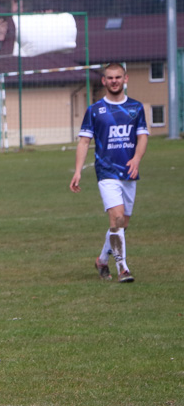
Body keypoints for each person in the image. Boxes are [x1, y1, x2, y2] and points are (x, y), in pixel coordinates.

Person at [70, 62, 148, 283]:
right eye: (110, 78)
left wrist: (136, 158)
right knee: (116, 217)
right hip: (106, 172)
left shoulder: (136, 108)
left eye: (118, 77)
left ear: (126, 79)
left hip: (129, 172)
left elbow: (143, 136)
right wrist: (78, 171)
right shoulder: (95, 111)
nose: (114, 81)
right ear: (103, 81)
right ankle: (123, 268)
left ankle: (102, 260)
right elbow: (84, 142)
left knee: (121, 224)